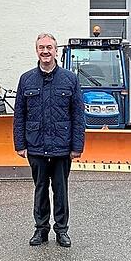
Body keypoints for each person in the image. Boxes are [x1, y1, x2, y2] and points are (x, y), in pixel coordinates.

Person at [13, 33, 85, 247]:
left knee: (61, 190)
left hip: (62, 148)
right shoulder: (26, 79)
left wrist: (77, 146)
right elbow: (19, 114)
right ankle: (41, 230)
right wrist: (20, 144)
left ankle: (62, 230)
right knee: (40, 188)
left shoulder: (70, 79)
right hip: (36, 146)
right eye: (41, 47)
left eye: (49, 47)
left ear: (56, 51)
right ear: (36, 51)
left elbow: (78, 115)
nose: (46, 51)